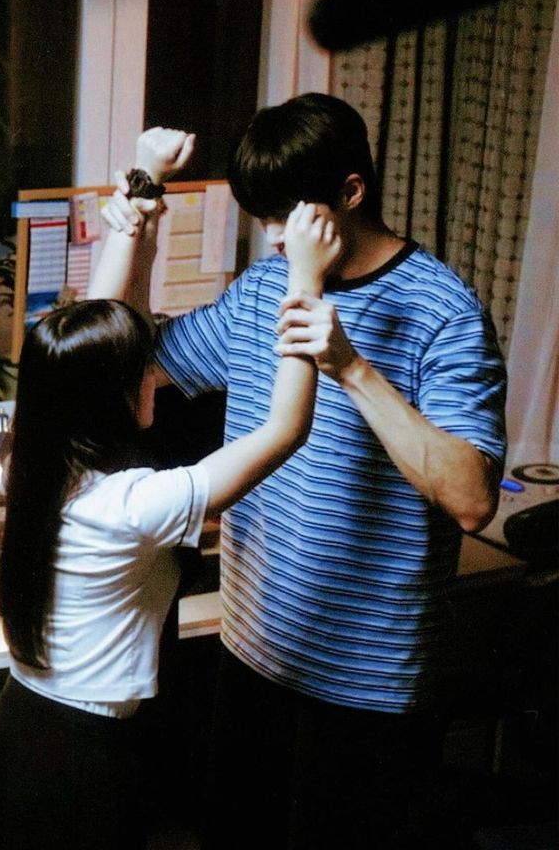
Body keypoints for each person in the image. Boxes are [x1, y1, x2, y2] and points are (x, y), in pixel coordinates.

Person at [105, 97, 507, 849]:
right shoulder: (264, 289)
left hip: (369, 683)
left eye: (284, 216)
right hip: (254, 650)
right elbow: (138, 370)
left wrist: (351, 367)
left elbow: (472, 499)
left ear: (352, 193)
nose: (273, 237)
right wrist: (142, 225)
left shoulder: (444, 310)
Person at [0, 127, 342, 850]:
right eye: (144, 371)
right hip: (74, 765)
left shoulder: (31, 463)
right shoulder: (130, 506)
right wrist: (305, 281)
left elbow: (93, 333)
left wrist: (144, 189)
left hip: (12, 740)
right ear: (118, 393)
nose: (155, 373)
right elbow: (284, 430)